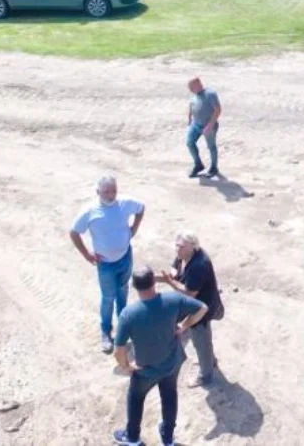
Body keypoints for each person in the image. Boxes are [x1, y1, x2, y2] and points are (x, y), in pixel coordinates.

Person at [111, 266, 208, 446]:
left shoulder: (128, 314)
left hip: (145, 370)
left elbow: (118, 350)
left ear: (135, 287)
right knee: (169, 395)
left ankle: (132, 437)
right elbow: (202, 308)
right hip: (172, 363)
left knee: (135, 398)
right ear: (154, 282)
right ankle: (168, 438)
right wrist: (183, 326)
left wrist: (126, 366)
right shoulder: (173, 299)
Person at [69, 175, 147, 354]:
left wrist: (134, 228)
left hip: (125, 257)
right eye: (106, 192)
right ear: (97, 192)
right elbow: (74, 232)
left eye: (114, 191)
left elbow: (141, 208)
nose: (111, 195)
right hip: (105, 264)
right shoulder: (90, 211)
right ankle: (105, 332)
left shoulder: (125, 203)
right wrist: (86, 254)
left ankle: (124, 327)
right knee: (108, 298)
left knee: (123, 292)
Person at [159, 232, 223, 387]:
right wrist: (165, 277)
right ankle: (210, 361)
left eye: (181, 247)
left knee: (201, 341)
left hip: (202, 310)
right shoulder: (183, 256)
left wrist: (170, 282)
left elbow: (189, 293)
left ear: (193, 247)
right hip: (191, 306)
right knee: (201, 341)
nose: (177, 249)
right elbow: (174, 271)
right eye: (176, 245)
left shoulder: (199, 265)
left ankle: (205, 375)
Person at [186, 77, 222, 178]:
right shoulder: (195, 96)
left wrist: (210, 125)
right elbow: (191, 105)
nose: (190, 90)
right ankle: (198, 165)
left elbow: (218, 109)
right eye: (190, 88)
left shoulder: (210, 94)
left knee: (211, 147)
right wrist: (189, 117)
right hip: (195, 125)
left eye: (191, 87)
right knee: (189, 143)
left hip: (208, 126)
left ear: (198, 84)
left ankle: (214, 168)